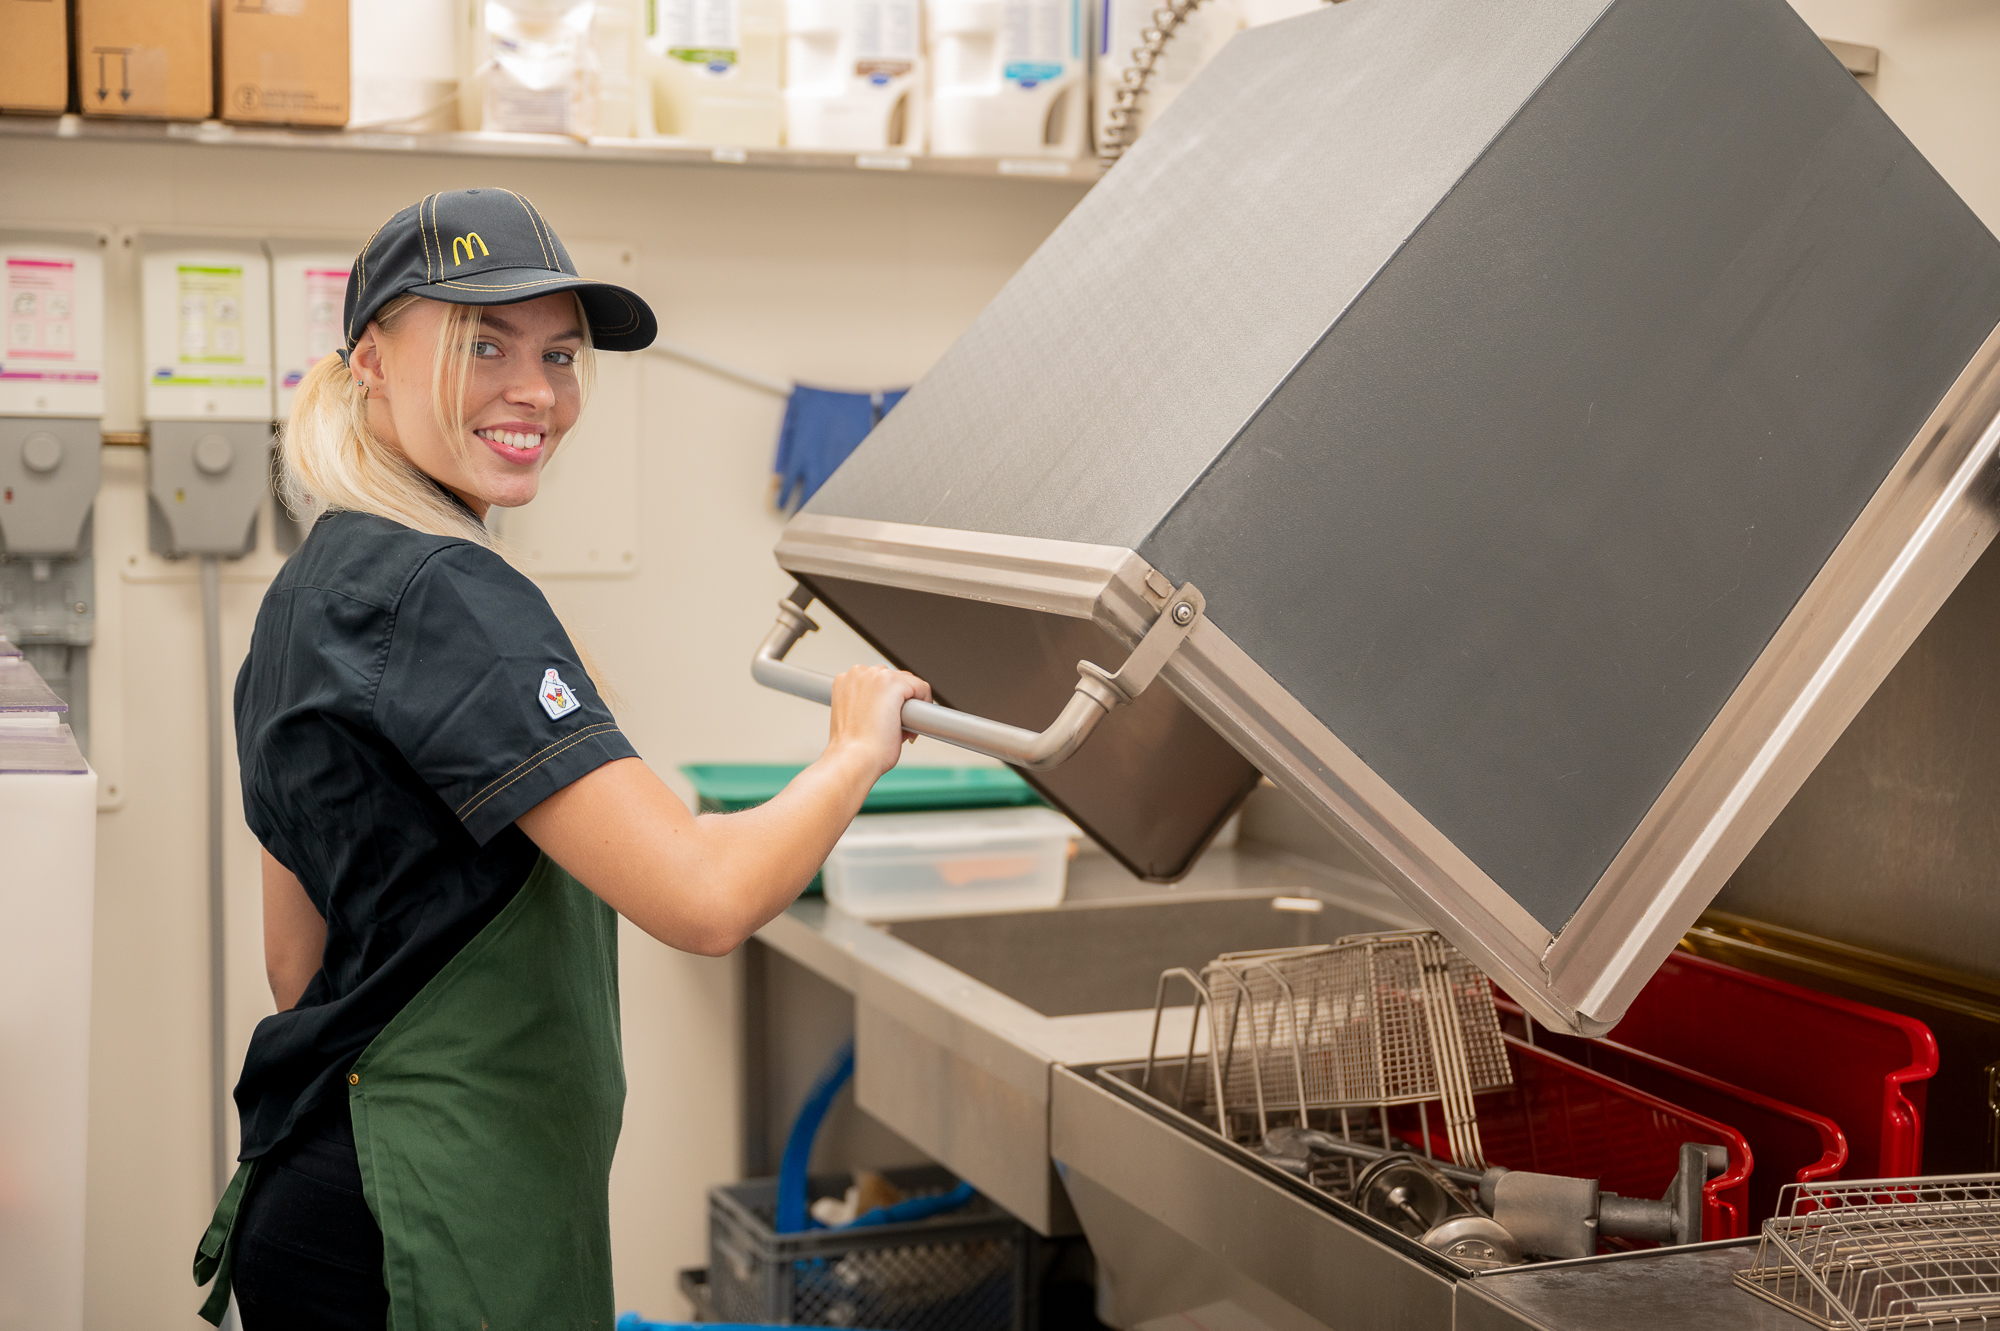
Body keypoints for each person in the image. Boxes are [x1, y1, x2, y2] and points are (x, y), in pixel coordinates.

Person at [191, 188, 931, 1328]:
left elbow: (299, 963)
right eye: (483, 344)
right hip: (438, 1221)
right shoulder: (450, 598)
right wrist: (851, 750)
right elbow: (701, 896)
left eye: (561, 353)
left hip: (317, 1199)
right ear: (372, 357)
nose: (536, 391)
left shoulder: (311, 591)